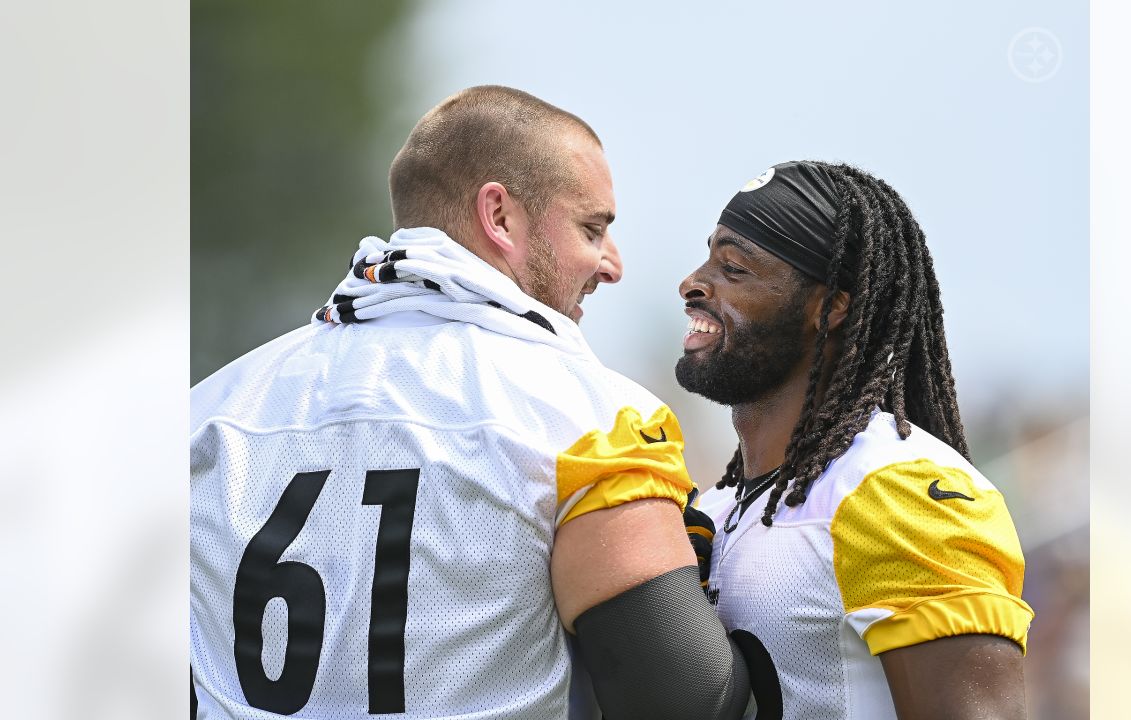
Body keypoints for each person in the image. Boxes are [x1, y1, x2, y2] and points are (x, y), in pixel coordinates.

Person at [191, 86, 750, 719]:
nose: (611, 264)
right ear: (500, 217)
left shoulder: (206, 410)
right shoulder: (589, 413)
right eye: (591, 228)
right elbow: (683, 698)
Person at [676, 160, 1035, 719]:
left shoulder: (902, 490)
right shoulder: (716, 507)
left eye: (734, 269)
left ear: (829, 306)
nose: (693, 283)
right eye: (708, 259)